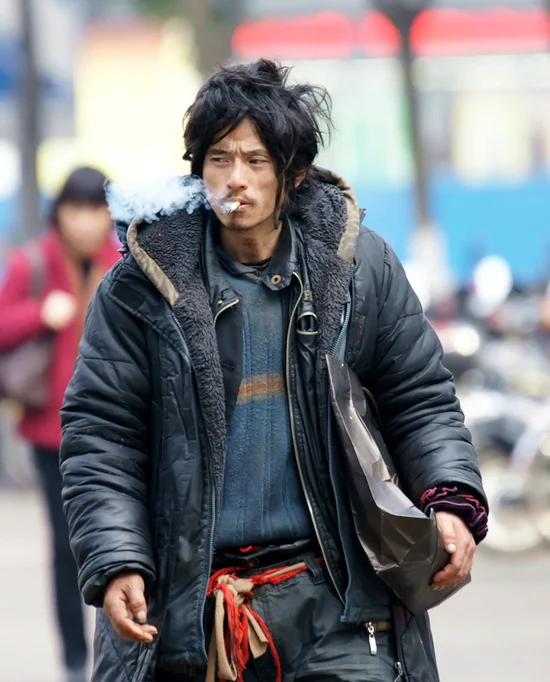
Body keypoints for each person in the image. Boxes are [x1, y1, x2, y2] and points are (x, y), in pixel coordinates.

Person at [59, 61, 488, 682]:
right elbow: (102, 435)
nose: (236, 179)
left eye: (256, 161)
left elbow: (418, 397)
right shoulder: (141, 290)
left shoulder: (357, 268)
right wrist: (118, 558)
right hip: (199, 605)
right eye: (219, 159)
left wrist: (448, 497)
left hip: (341, 598)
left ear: (293, 174)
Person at [0, 166, 120, 682]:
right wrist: (40, 313)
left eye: (97, 209)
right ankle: (74, 661)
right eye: (77, 209)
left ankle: (113, 656)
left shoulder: (124, 261)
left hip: (116, 432)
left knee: (117, 546)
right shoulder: (33, 262)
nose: (87, 221)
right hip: (51, 436)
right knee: (65, 550)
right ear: (60, 213)